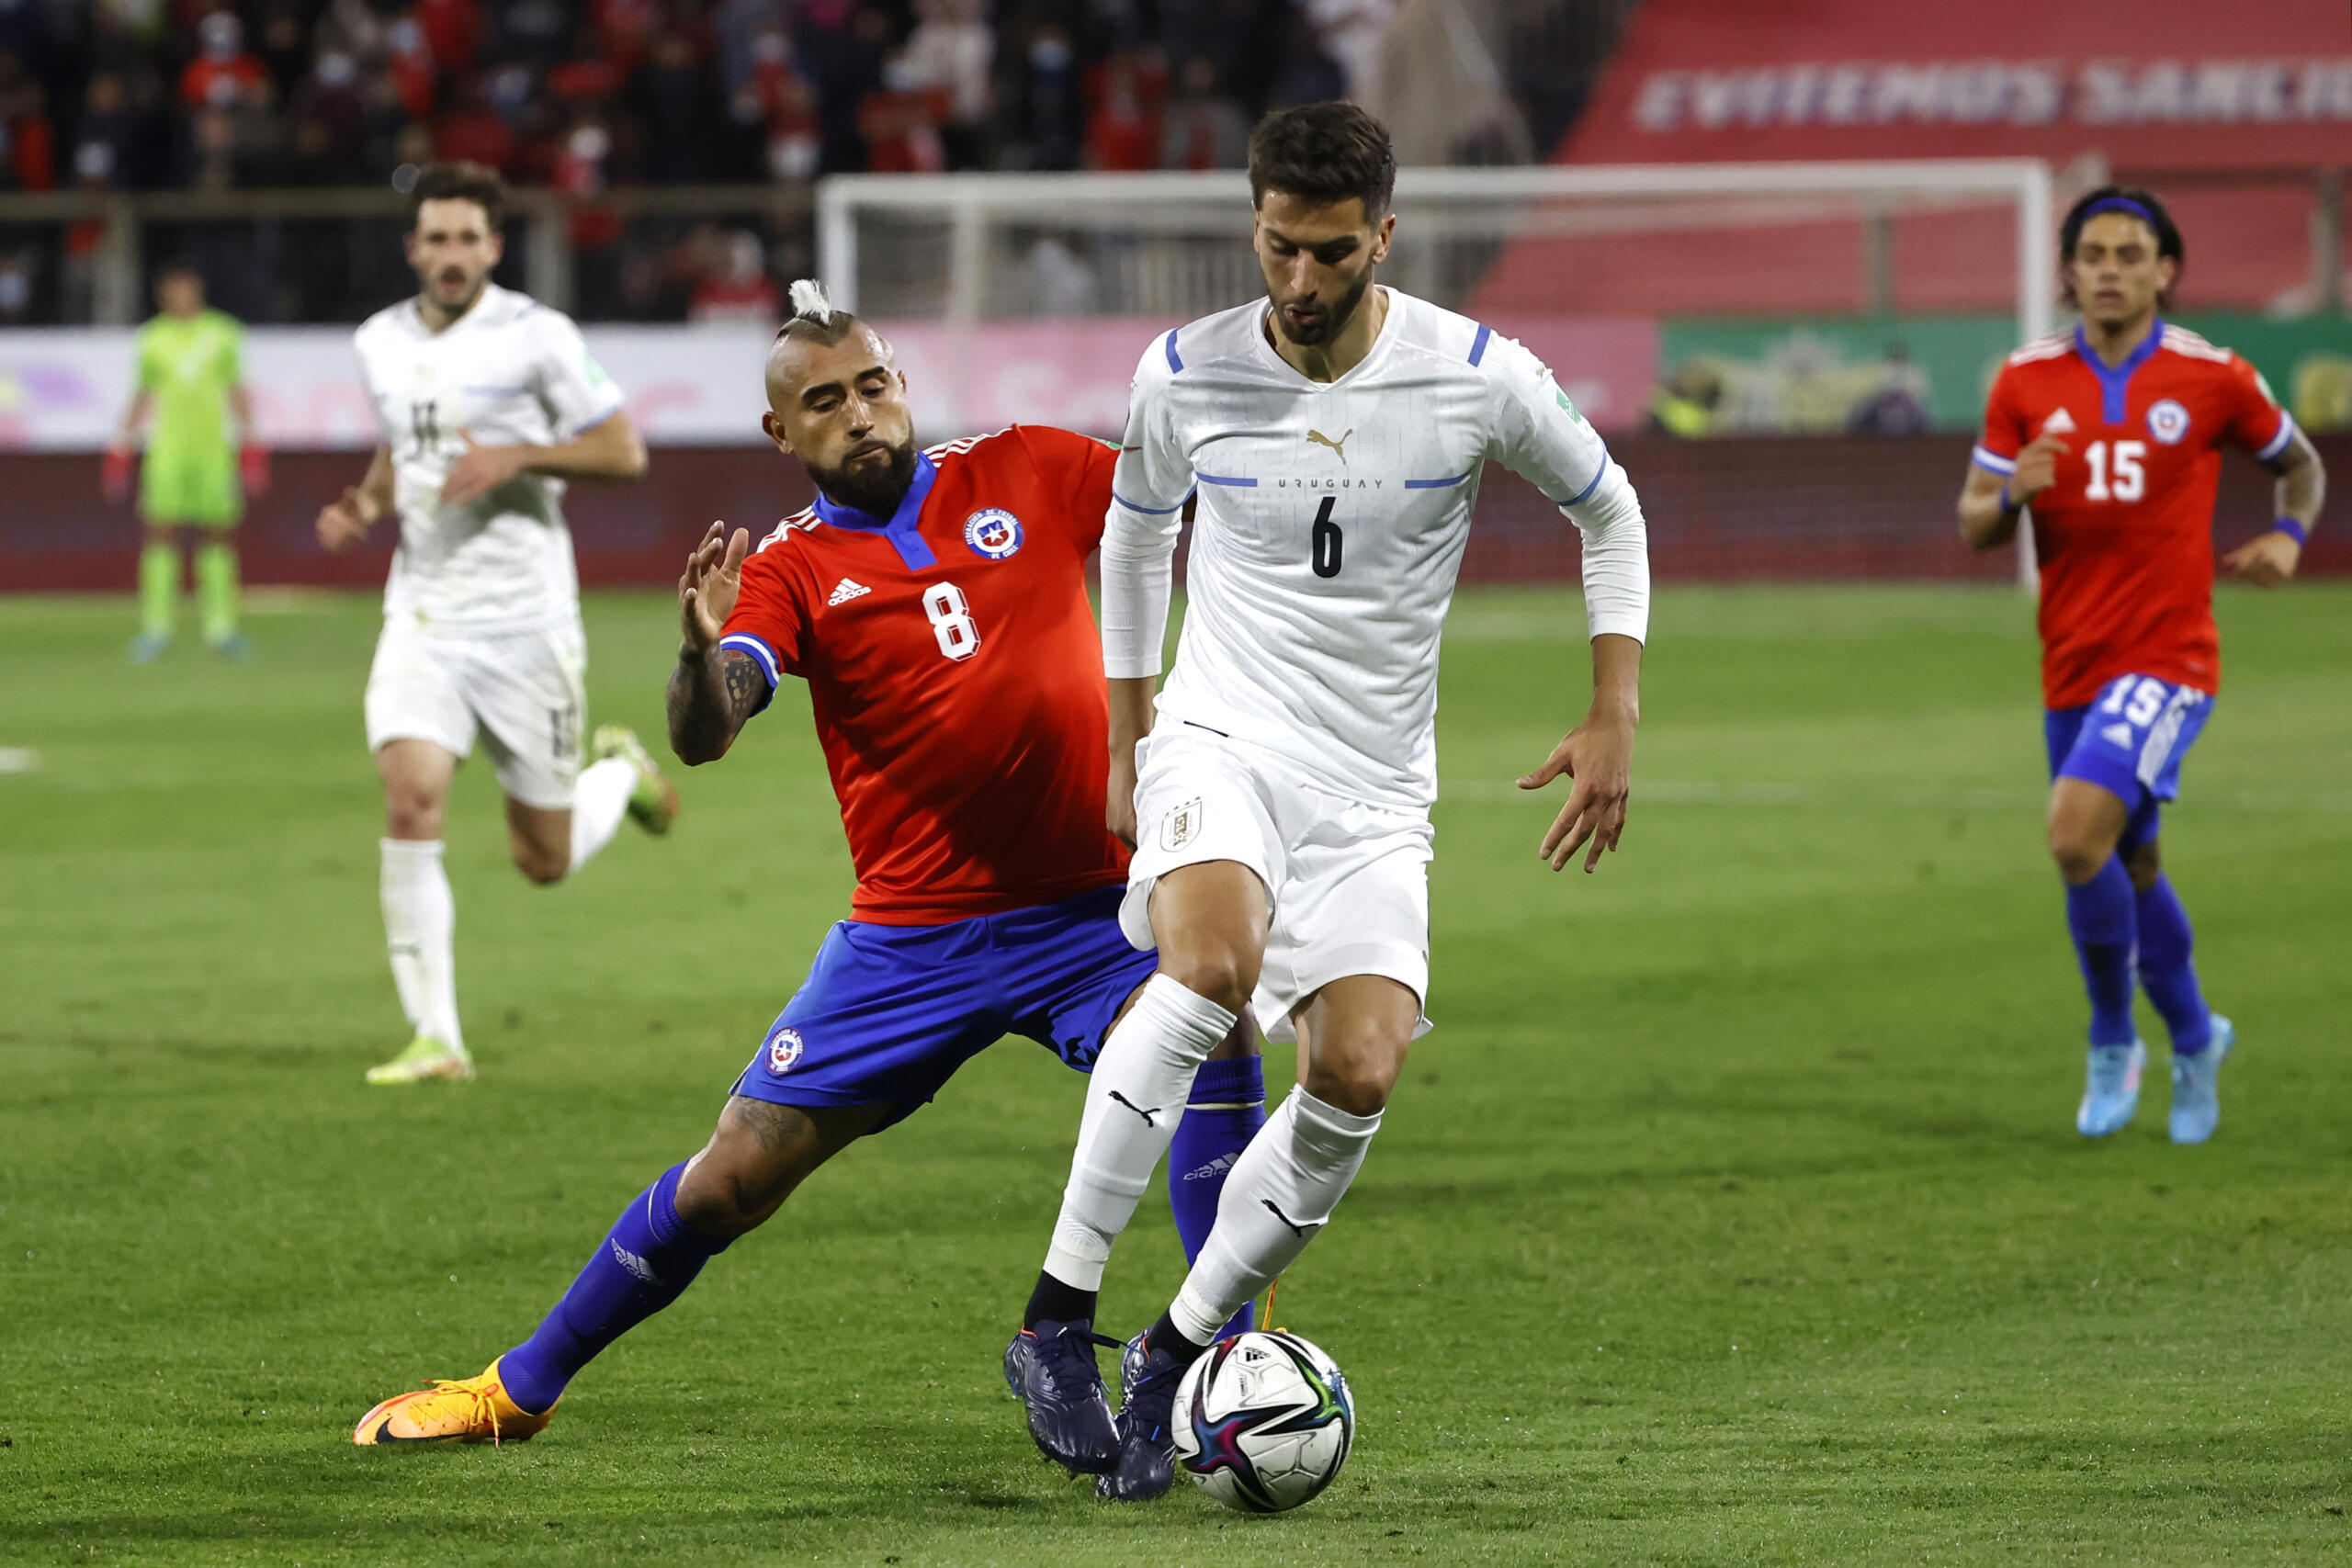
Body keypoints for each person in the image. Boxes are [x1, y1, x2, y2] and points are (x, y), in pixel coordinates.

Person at [351, 282, 1265, 1451]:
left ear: (902, 386)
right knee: (731, 1178)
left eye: (874, 386)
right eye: (825, 403)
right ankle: (515, 1388)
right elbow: (709, 725)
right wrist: (695, 656)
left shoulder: (1031, 467)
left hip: (1093, 909)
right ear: (784, 436)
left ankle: (1218, 1368)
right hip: (911, 939)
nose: (861, 414)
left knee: (1214, 1015)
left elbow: (1187, 510)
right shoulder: (786, 570)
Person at [1012, 102, 1653, 1500]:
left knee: (1358, 1067)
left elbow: (1610, 511)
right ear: (1255, 222)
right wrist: (1131, 732)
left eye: (1330, 256)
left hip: (1373, 785)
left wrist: (1616, 709)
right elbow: (1134, 528)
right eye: (1277, 247)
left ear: (1385, 238)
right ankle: (1056, 1317)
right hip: (1221, 734)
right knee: (1212, 964)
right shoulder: (1185, 370)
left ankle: (1173, 1352)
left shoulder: (1477, 377)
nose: (1298, 285)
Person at [1957, 186, 2325, 1145]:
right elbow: (1970, 521)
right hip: (2071, 663)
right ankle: (2198, 1037)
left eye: (2130, 253)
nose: (2109, 269)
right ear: (2068, 271)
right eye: (2093, 254)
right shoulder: (2023, 381)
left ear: (2166, 270)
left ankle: (2112, 1038)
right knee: (2131, 860)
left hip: (2168, 658)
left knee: (2074, 836)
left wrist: (2287, 535)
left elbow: (2302, 465)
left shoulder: (2214, 377)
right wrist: (2010, 499)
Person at [313, 161, 674, 1088]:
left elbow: (624, 450)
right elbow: (407, 439)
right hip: (424, 609)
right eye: (435, 239)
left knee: (540, 860)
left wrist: (520, 455)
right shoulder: (376, 342)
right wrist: (364, 503)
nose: (450, 255)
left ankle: (614, 774)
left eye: (468, 239)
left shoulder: (538, 337)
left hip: (526, 621)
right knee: (410, 794)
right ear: (412, 249)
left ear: (494, 248)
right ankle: (437, 1037)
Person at [109, 264, 266, 663]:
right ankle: (157, 629)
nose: (183, 296)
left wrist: (250, 445)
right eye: (175, 289)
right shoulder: (153, 339)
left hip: (212, 452)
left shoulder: (223, 334)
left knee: (218, 534)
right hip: (168, 452)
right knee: (160, 533)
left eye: (188, 288)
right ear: (164, 295)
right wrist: (122, 445)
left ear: (198, 290)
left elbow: (237, 390)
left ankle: (222, 628)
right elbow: (142, 394)